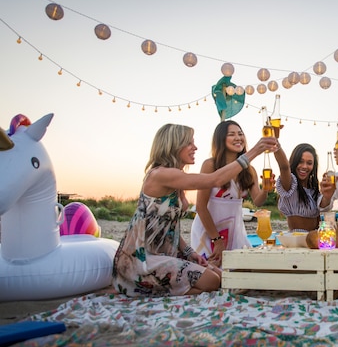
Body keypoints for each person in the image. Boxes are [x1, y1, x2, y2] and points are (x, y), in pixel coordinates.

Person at [112, 123, 276, 297]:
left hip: (166, 251)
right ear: (174, 145)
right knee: (212, 281)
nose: (195, 147)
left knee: (222, 277)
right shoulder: (161, 175)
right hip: (142, 258)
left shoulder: (177, 176)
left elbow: (169, 227)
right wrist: (255, 151)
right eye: (189, 143)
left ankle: (161, 288)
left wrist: (190, 253)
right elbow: (215, 179)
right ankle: (141, 288)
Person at [190, 120, 270, 264]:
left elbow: (258, 201)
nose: (238, 138)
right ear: (221, 139)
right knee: (211, 274)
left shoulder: (249, 170)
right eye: (231, 134)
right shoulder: (210, 165)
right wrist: (217, 240)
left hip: (235, 231)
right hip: (209, 232)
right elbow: (201, 207)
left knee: (241, 273)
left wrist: (266, 189)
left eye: (240, 134)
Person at [273, 143, 322, 232]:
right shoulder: (290, 185)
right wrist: (275, 144)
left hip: (315, 241)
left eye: (309, 163)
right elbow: (284, 167)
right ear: (294, 162)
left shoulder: (314, 191)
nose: (304, 166)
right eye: (300, 161)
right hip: (296, 241)